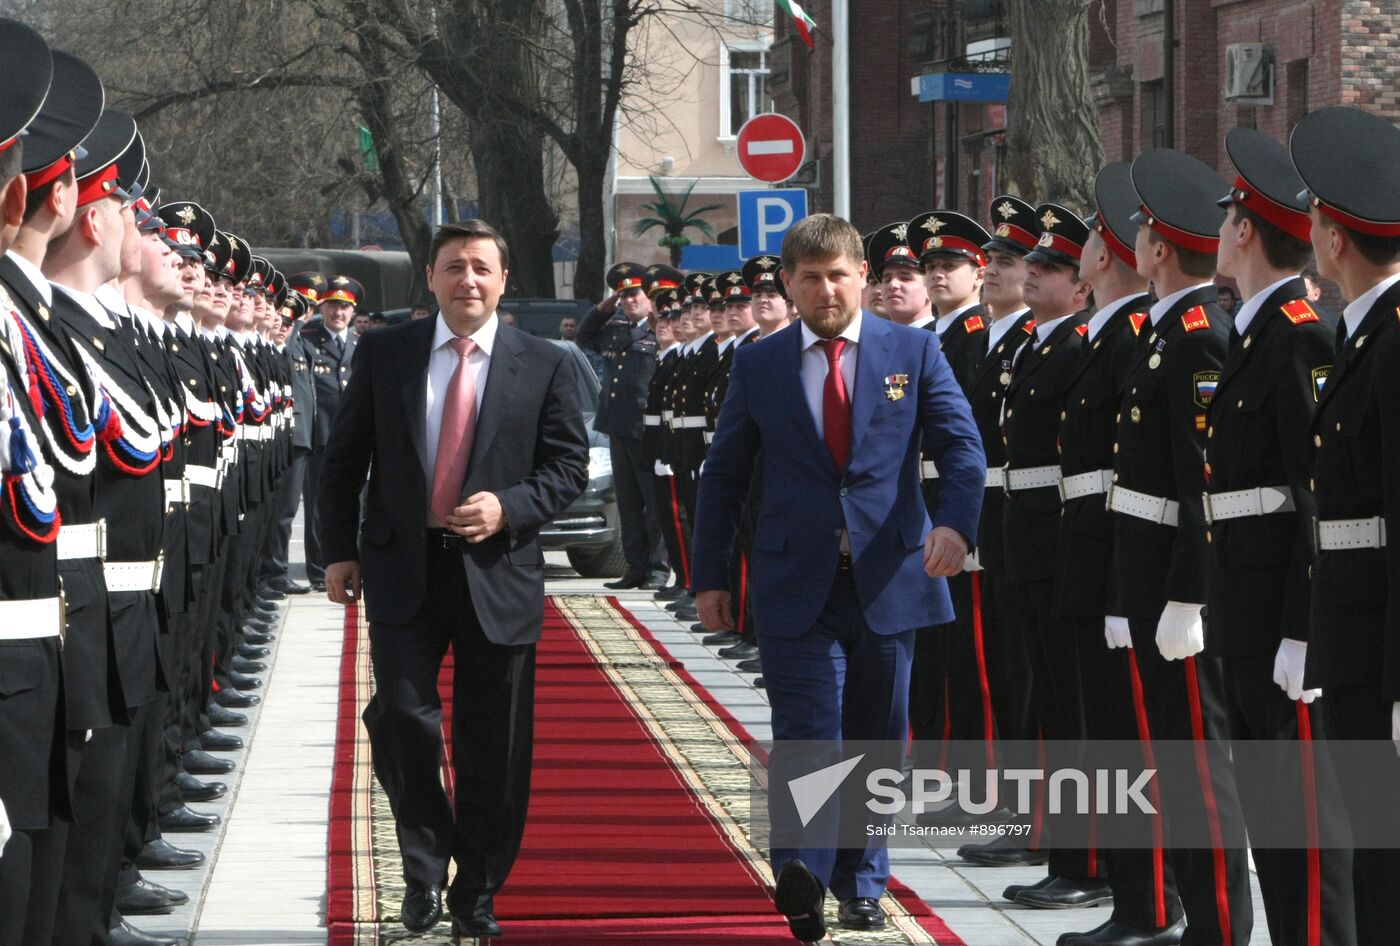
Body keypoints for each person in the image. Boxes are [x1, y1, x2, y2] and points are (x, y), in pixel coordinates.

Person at [693, 214, 985, 942]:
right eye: (810, 277)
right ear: (788, 285)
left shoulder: (912, 351)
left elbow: (962, 447)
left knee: (876, 739)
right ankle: (803, 872)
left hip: (891, 576)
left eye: (838, 274)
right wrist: (711, 575)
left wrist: (954, 524)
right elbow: (724, 473)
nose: (826, 289)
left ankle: (861, 879)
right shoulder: (759, 364)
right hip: (796, 578)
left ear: (863, 276)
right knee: (807, 732)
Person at [316, 219, 589, 939]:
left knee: (491, 743)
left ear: (504, 280)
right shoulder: (387, 353)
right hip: (405, 569)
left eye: (481, 267)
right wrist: (336, 550)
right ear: (431, 278)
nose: (467, 279)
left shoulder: (545, 362)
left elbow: (567, 469)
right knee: (402, 720)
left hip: (497, 572)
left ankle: (479, 887)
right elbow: (344, 461)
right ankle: (424, 864)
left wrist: (509, 506)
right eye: (453, 266)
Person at [1207, 125, 1356, 946]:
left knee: (1305, 815)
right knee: (1270, 807)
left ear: (1242, 230)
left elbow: (1316, 494)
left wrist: (1304, 624)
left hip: (1280, 612)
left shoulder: (1297, 334)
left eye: (1231, 215)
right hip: (1244, 599)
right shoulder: (1256, 332)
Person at [1114, 147, 1253, 944]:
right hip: (1146, 577)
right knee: (1176, 772)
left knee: (1202, 775)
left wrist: (1190, 594)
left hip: (1176, 587)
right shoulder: (1164, 330)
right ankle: (1203, 922)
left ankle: (1223, 928)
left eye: (1140, 230)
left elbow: (1204, 481)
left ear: (1159, 249)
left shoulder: (1199, 335)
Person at [1055, 162, 1184, 946]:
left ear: (1103, 255)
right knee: (1109, 741)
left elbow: (1145, 481)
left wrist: (1119, 592)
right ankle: (1134, 903)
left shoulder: (1138, 336)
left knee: (1135, 746)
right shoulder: (1115, 337)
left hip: (1125, 573)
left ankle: (1151, 904)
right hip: (1094, 563)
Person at [1291, 105, 1400, 944]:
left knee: (1385, 854)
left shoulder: (1391, 342)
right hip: (1356, 636)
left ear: (1330, 239)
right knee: (1371, 846)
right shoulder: (1365, 336)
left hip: (1380, 652)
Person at [575, 262, 672, 590]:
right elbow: (583, 337)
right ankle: (635, 567)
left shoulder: (660, 328)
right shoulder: (614, 329)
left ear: (649, 297)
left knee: (653, 504)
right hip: (617, 427)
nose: (630, 301)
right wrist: (602, 309)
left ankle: (658, 569)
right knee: (629, 503)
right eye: (623, 296)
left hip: (647, 428)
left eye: (635, 295)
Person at [299, 274, 361, 591]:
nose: (338, 314)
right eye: (333, 307)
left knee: (359, 502)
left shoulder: (361, 344)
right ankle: (317, 567)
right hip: (322, 435)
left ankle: (356, 561)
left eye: (344, 308)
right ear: (323, 309)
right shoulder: (308, 340)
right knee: (319, 505)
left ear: (353, 312)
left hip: (357, 438)